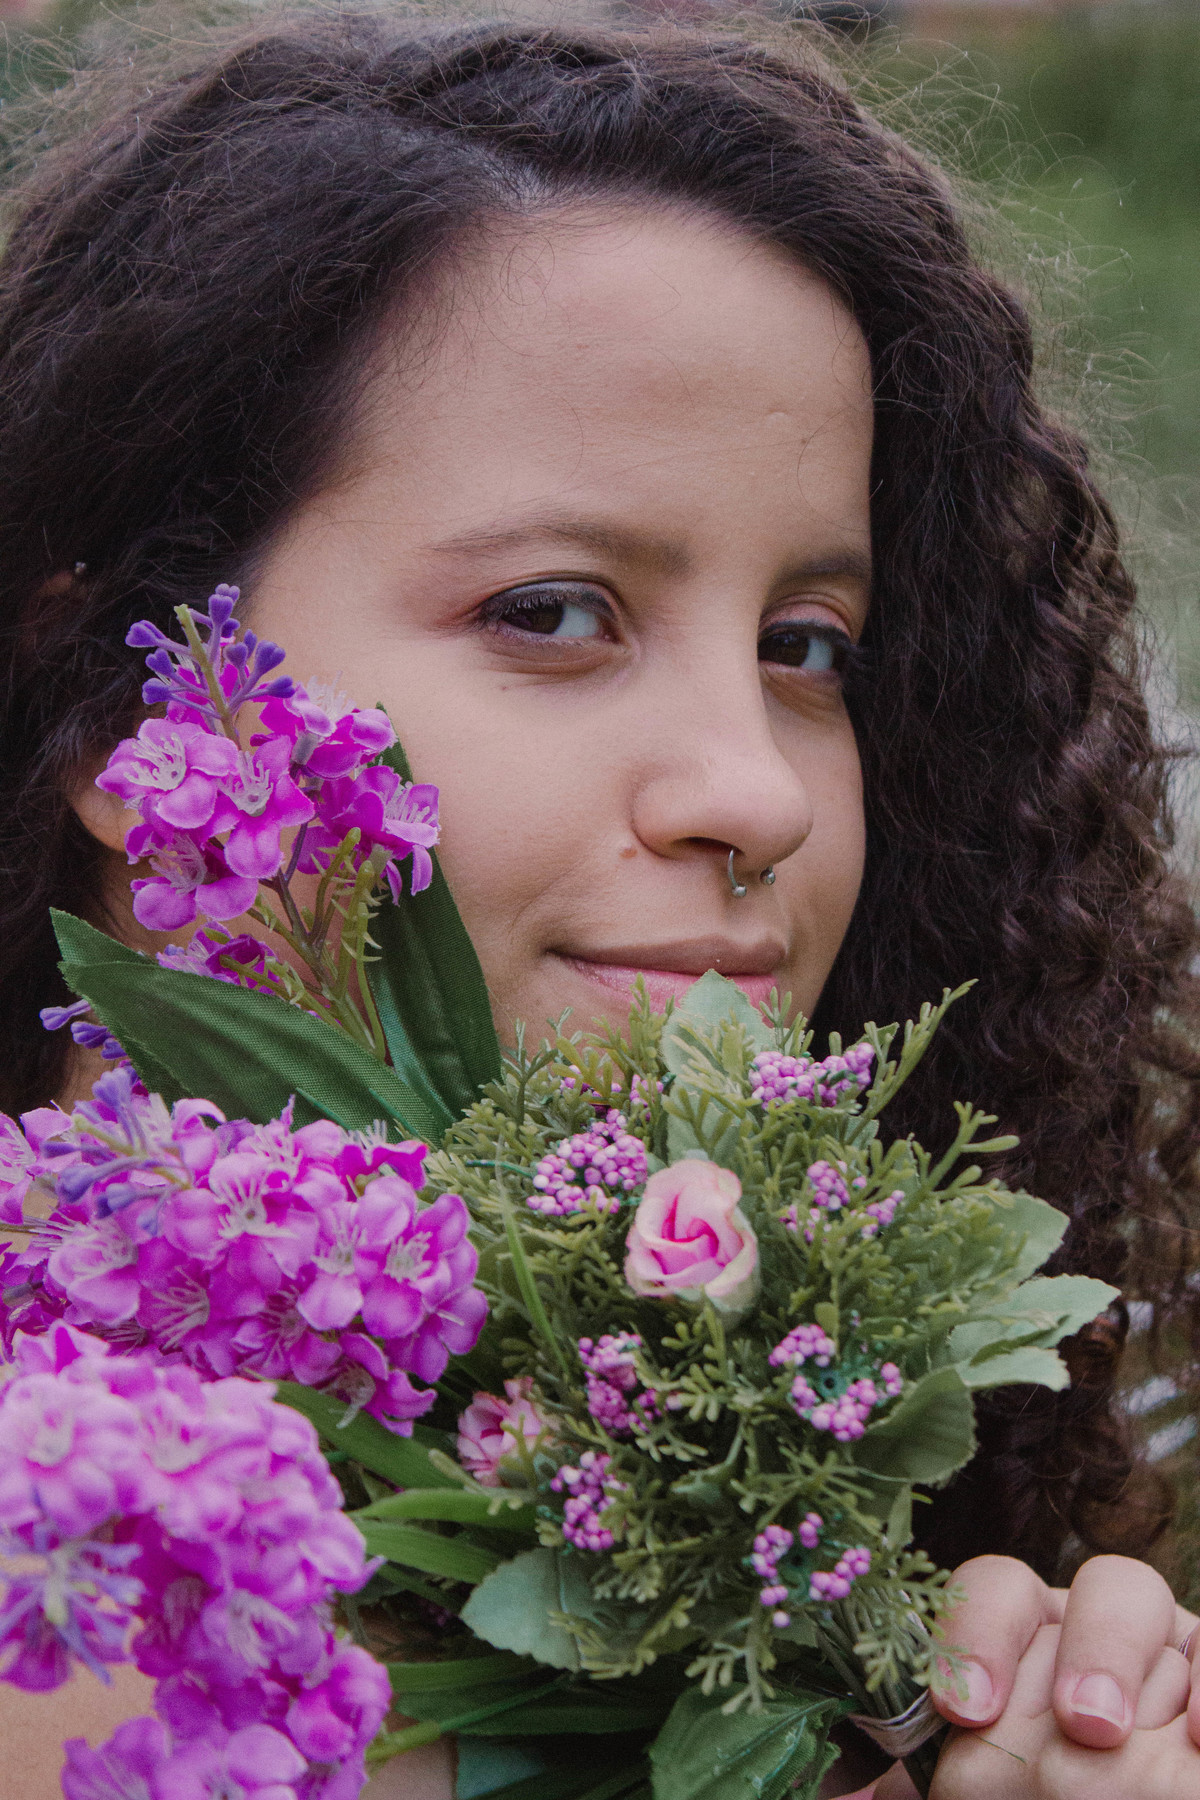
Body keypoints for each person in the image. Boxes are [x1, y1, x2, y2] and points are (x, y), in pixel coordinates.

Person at [0, 11, 1198, 1798]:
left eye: (809, 648)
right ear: (121, 709)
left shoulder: (809, 1554)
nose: (759, 790)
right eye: (552, 612)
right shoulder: (74, 1588)